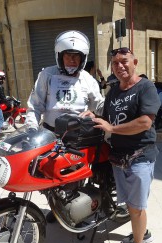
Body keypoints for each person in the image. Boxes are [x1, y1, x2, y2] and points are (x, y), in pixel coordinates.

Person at [85, 47, 160, 243]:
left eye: (124, 61)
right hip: (118, 158)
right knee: (131, 205)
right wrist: (94, 116)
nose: (119, 66)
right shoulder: (114, 91)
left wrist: (112, 129)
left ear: (134, 62)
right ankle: (142, 232)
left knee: (136, 207)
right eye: (115, 63)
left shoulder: (146, 87)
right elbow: (108, 119)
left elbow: (145, 122)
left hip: (140, 158)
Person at [26, 30, 104, 221]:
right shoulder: (47, 75)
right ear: (60, 56)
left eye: (76, 57)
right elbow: (35, 105)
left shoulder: (87, 78)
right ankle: (56, 207)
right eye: (68, 56)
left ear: (83, 59)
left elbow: (99, 104)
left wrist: (102, 108)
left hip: (77, 137)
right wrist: (31, 130)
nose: (72, 60)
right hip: (50, 134)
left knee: (73, 176)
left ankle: (74, 208)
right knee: (48, 176)